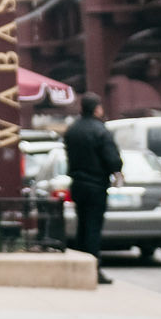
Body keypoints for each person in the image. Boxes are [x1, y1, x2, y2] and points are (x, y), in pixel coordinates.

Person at [63, 91, 122, 284]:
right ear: (97, 108)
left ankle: (79, 266)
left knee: (82, 226)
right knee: (93, 228)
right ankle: (93, 268)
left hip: (78, 183)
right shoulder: (100, 130)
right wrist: (117, 171)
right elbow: (112, 158)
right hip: (96, 184)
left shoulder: (72, 130)